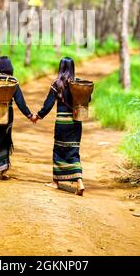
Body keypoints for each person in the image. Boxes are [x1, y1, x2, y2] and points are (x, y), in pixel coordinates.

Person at [34, 57, 86, 196]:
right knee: (73, 151)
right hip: (75, 124)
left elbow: (48, 104)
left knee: (58, 150)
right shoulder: (78, 83)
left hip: (62, 123)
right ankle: (79, 182)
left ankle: (55, 182)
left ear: (61, 68)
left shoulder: (57, 84)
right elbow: (87, 100)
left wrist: (38, 116)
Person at [0, 56, 33, 181]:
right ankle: (3, 171)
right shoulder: (13, 81)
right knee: (5, 140)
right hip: (7, 115)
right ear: (10, 68)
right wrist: (30, 115)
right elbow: (20, 102)